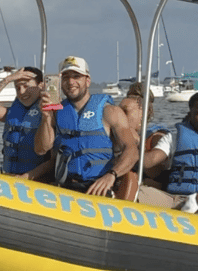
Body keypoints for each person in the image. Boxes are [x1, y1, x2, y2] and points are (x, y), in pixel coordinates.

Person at [35, 56, 138, 196]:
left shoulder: (110, 112)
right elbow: (41, 149)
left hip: (97, 188)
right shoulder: (56, 113)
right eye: (65, 77)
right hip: (65, 188)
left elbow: (132, 151)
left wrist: (112, 175)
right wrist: (46, 117)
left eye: (76, 76)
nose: (70, 82)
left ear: (87, 81)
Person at [0, 66, 52, 180]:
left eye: (26, 86)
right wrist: (7, 80)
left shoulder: (51, 113)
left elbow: (53, 159)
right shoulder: (11, 113)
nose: (21, 92)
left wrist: (26, 177)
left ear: (41, 85)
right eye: (17, 88)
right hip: (9, 177)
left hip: (37, 181)